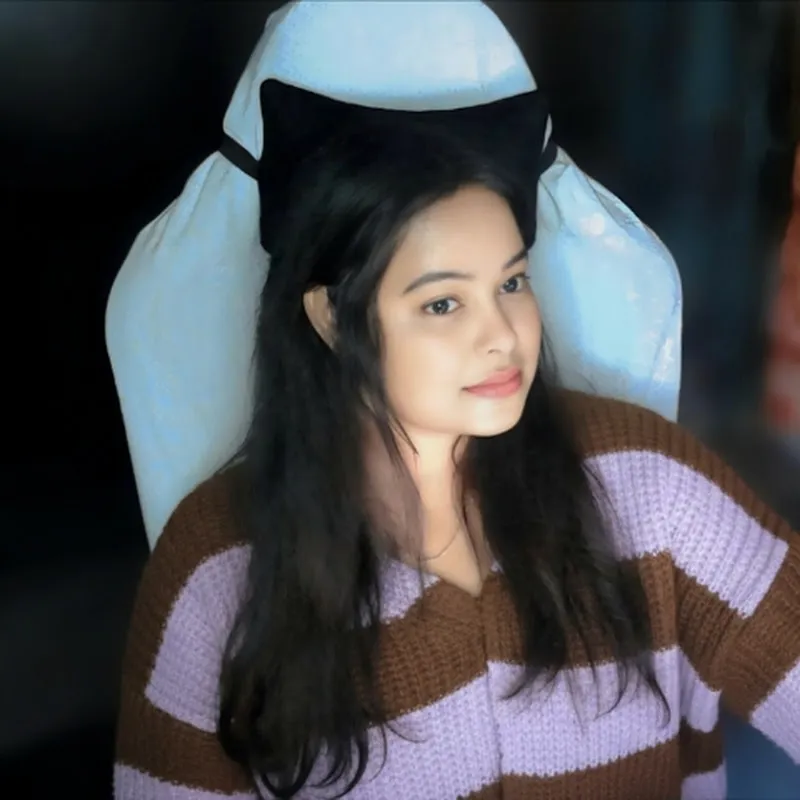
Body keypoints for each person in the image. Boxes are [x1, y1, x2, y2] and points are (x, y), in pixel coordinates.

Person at [114, 113, 800, 800]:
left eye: (511, 284)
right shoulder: (217, 568)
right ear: (332, 317)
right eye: (443, 303)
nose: (502, 335)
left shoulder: (642, 478)